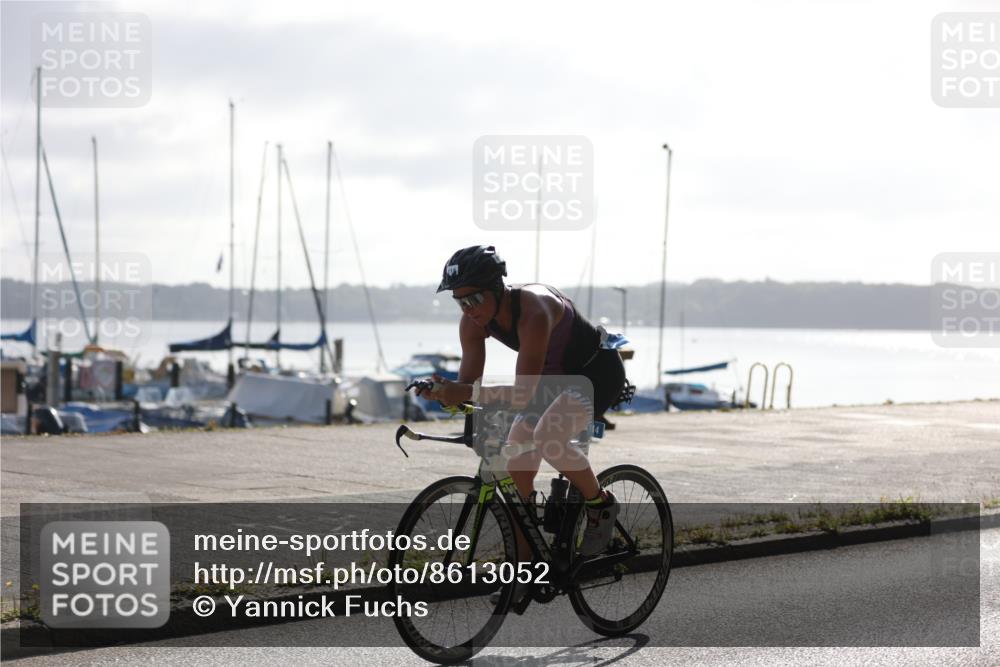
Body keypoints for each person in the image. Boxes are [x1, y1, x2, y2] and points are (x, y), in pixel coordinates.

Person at [417, 245, 626, 558]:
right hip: (551, 381)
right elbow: (468, 386)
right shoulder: (472, 323)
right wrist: (444, 394)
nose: (469, 309)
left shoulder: (534, 311)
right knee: (515, 469)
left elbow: (521, 394)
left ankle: (601, 505)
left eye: (474, 299)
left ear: (497, 289)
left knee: (548, 437)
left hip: (595, 373)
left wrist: (465, 393)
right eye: (460, 302)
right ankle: (524, 564)